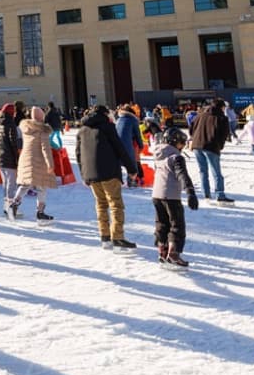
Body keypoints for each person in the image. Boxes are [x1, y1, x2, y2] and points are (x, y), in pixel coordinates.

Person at [75, 104, 138, 250]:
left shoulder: (82, 130)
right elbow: (119, 148)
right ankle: (118, 237)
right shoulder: (108, 127)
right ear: (105, 114)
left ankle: (105, 237)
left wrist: (84, 174)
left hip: (91, 174)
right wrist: (131, 168)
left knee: (101, 204)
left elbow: (78, 154)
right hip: (109, 171)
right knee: (115, 204)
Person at [152, 127, 199, 269]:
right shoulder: (176, 157)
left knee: (162, 223)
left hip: (156, 194)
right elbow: (182, 175)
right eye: (181, 143)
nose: (183, 146)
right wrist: (190, 191)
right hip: (171, 196)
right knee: (176, 225)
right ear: (175, 142)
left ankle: (162, 250)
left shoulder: (159, 154)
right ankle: (173, 254)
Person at [9, 106, 57, 222]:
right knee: (42, 187)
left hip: (25, 158)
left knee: (25, 184)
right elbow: (45, 148)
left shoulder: (26, 128)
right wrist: (50, 164)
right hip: (38, 161)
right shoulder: (42, 130)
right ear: (42, 117)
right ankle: (40, 212)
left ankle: (13, 205)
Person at [189, 98, 235, 205]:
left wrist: (195, 139)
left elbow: (191, 129)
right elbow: (224, 134)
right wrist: (220, 146)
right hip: (211, 146)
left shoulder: (200, 115)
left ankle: (206, 195)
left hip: (197, 145)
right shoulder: (221, 117)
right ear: (221, 107)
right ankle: (220, 195)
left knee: (203, 171)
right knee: (216, 172)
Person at [0, 103, 20, 220]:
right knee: (11, 184)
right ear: (11, 112)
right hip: (9, 158)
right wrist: (17, 158)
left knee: (6, 184)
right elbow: (13, 144)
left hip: (0, 158)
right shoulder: (11, 125)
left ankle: (6, 207)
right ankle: (10, 209)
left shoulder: (0, 123)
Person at [115, 104, 145, 187]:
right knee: (132, 163)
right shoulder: (133, 120)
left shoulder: (118, 120)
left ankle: (117, 180)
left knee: (118, 163)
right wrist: (141, 146)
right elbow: (138, 135)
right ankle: (132, 181)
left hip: (116, 145)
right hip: (127, 144)